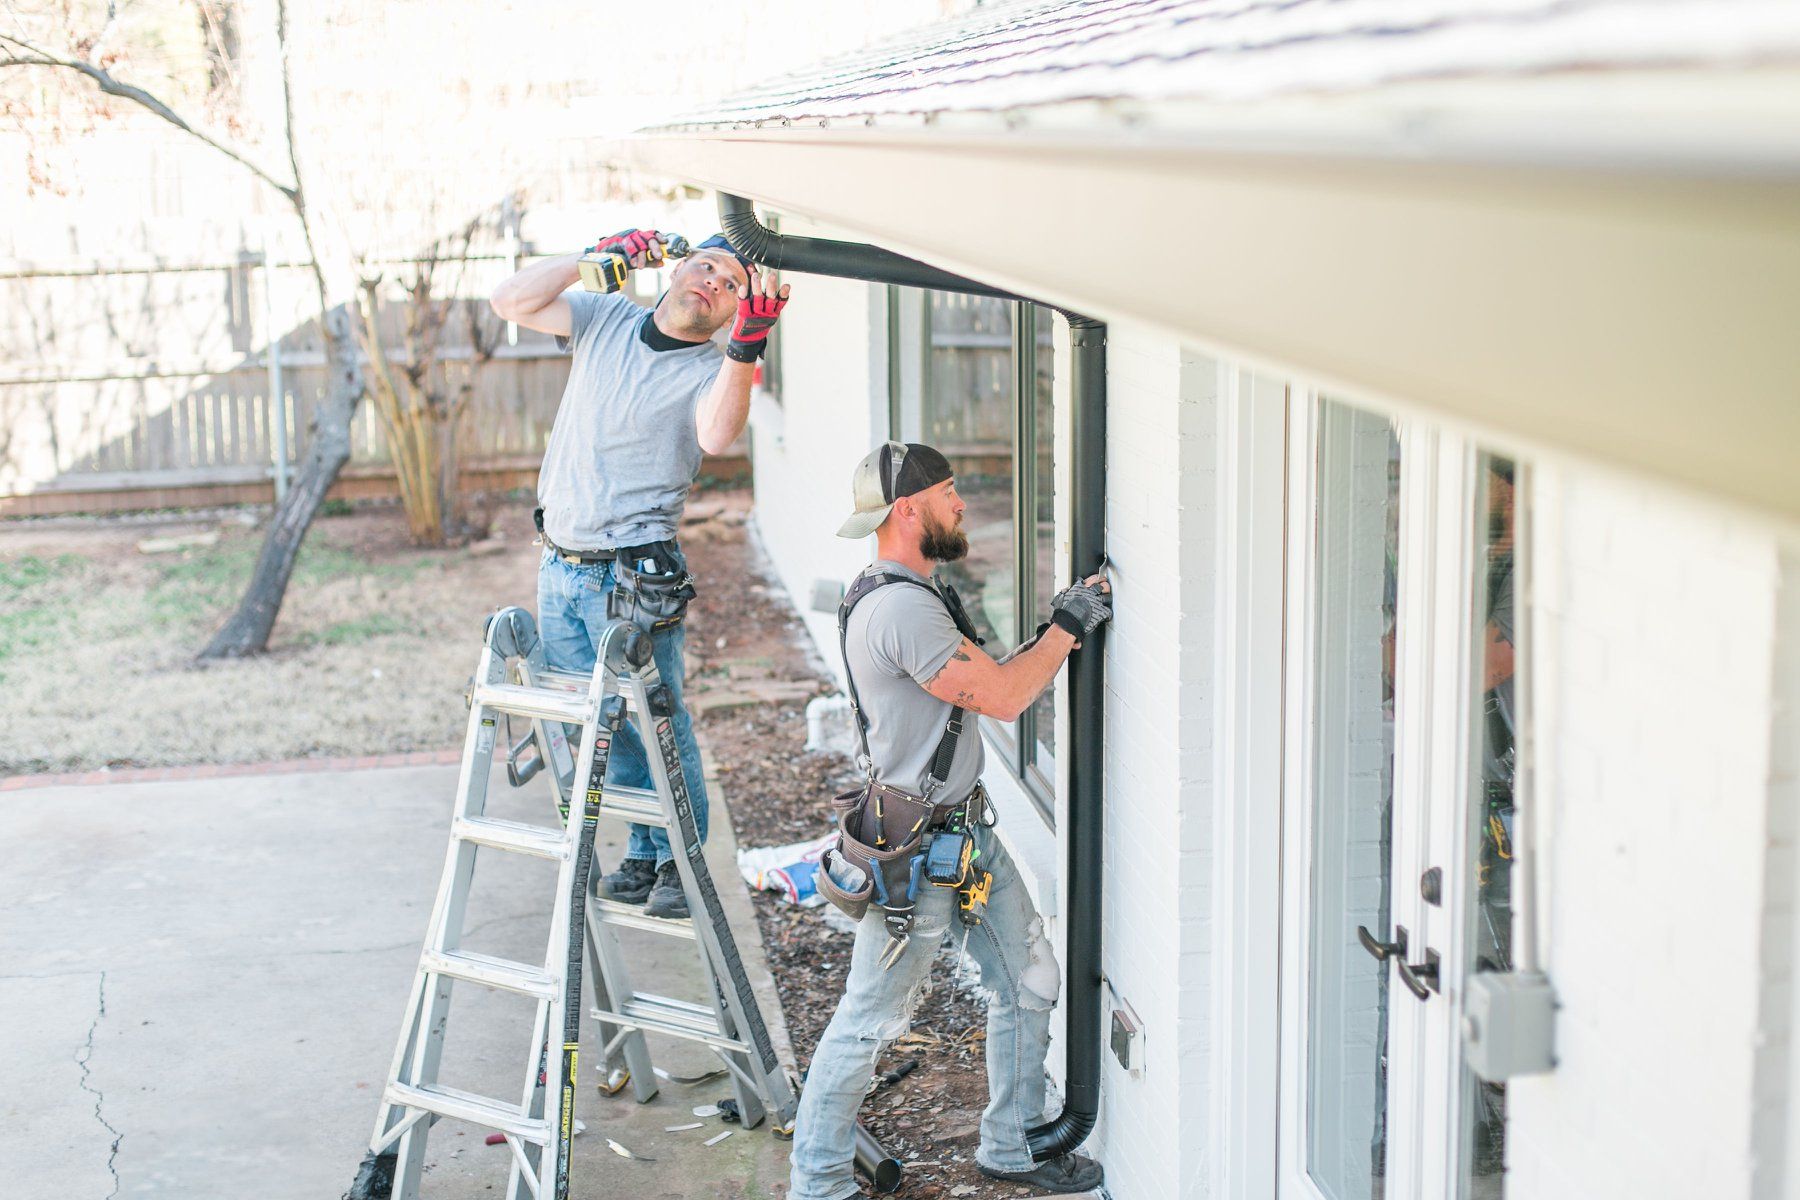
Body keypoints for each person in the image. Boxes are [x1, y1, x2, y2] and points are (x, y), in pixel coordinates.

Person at [789, 441, 1112, 1199]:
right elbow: (1002, 699)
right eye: (950, 492)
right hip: (920, 857)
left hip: (963, 840)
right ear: (909, 510)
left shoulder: (904, 588)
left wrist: (1056, 628)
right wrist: (1066, 626)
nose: (962, 504)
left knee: (1028, 978)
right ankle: (818, 1183)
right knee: (869, 1021)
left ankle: (1010, 1146)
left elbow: (993, 680)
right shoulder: (900, 606)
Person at [489, 227, 789, 918]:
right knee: (604, 723)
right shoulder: (604, 318)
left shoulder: (711, 369)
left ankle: (682, 864)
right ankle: (646, 853)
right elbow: (509, 300)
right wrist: (590, 257)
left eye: (731, 284)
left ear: (733, 310)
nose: (712, 282)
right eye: (707, 265)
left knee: (658, 721)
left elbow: (717, 435)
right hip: (561, 568)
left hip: (633, 576)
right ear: (679, 266)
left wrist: (747, 345)